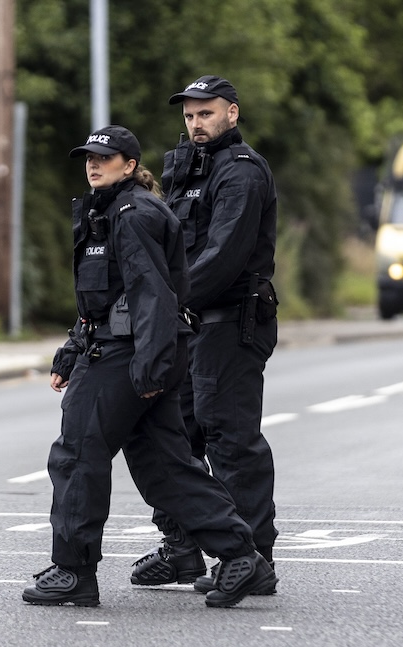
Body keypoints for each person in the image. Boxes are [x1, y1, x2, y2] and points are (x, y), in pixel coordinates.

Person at [21, 125, 275, 609]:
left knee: (76, 455)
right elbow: (104, 298)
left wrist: (151, 369)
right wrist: (72, 349)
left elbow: (152, 294)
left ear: (130, 165)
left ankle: (74, 572)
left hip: (128, 356)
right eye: (89, 157)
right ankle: (240, 556)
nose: (94, 164)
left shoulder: (133, 215)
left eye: (106, 158)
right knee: (165, 469)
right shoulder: (108, 212)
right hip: (135, 352)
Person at [130, 76, 279, 595]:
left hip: (233, 320)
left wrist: (168, 304)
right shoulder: (183, 169)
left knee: (230, 440)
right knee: (172, 436)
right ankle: (183, 549)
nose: (196, 124)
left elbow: (224, 255)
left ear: (232, 114)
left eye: (207, 114)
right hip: (191, 322)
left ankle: (253, 559)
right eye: (190, 115)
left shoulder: (241, 173)